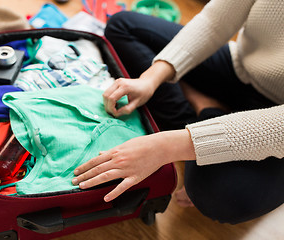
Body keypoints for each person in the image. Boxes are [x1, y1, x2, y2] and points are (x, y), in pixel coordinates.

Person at [71, 0, 284, 224]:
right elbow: (216, 20)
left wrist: (166, 147)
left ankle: (205, 109)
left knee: (224, 199)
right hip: (242, 69)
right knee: (121, 26)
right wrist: (150, 79)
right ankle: (204, 122)